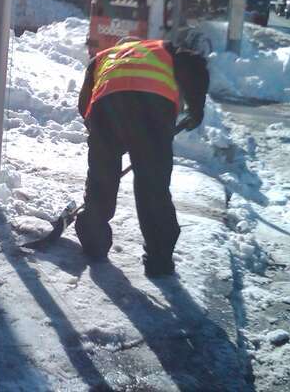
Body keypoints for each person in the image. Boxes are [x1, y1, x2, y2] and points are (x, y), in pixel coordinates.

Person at [75, 37, 209, 277]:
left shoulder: (103, 57)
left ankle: (94, 244)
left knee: (101, 180)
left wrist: (103, 139)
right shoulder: (162, 47)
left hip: (107, 108)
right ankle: (159, 261)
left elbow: (84, 103)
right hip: (152, 111)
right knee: (152, 185)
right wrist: (196, 108)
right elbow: (195, 64)